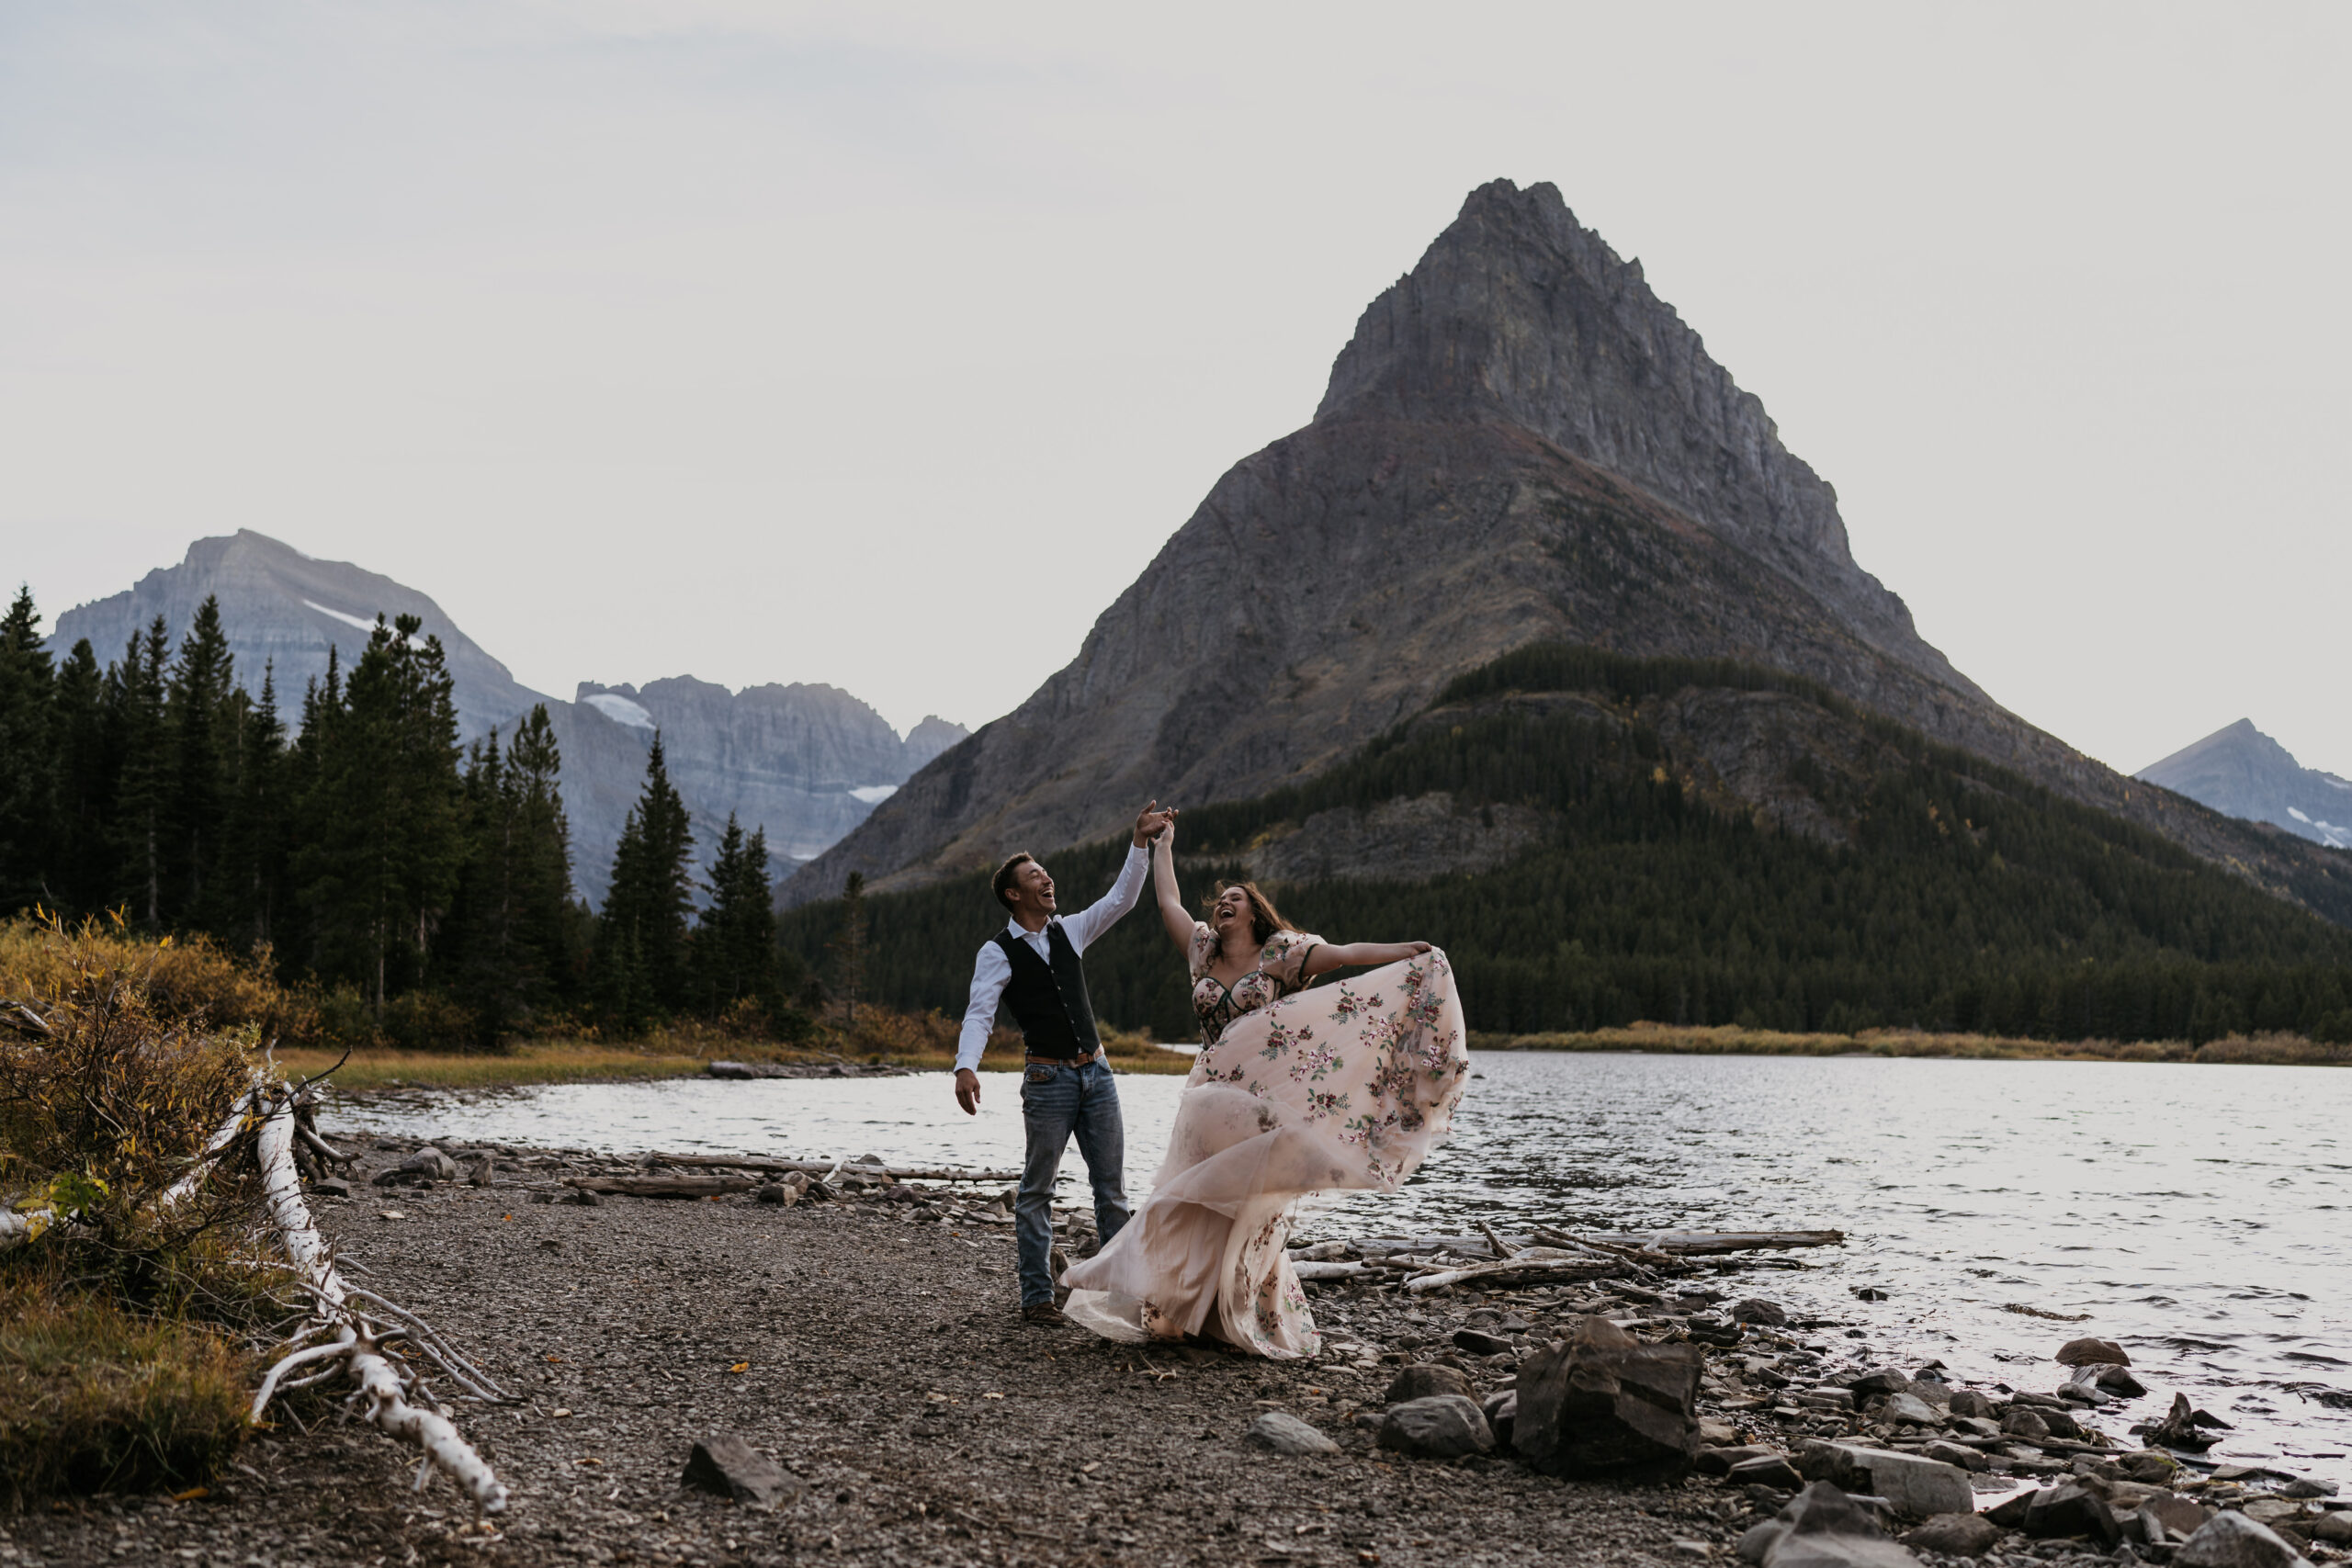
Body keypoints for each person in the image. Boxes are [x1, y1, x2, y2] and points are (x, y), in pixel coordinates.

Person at [1059, 812, 1469, 1357]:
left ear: (1255, 910)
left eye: (1235, 898)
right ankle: (1178, 1309)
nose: (1222, 904)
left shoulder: (1283, 954)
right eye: (1219, 901)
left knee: (1248, 1209)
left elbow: (1346, 957)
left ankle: (1239, 1314)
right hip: (1206, 1102)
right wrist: (1163, 847)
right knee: (1189, 1200)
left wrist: (1403, 953)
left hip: (1260, 1108)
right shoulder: (1201, 951)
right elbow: (1168, 904)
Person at [953, 800, 1176, 1324]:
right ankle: (1037, 1298)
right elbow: (979, 1013)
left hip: (1098, 1074)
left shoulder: (1070, 929)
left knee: (1112, 1192)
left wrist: (1139, 843)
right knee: (1037, 1191)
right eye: (1035, 876)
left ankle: (1123, 1301)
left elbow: (1121, 899)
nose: (1047, 879)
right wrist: (967, 1067)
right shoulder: (997, 952)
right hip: (1047, 1078)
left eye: (1045, 872)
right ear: (1014, 894)